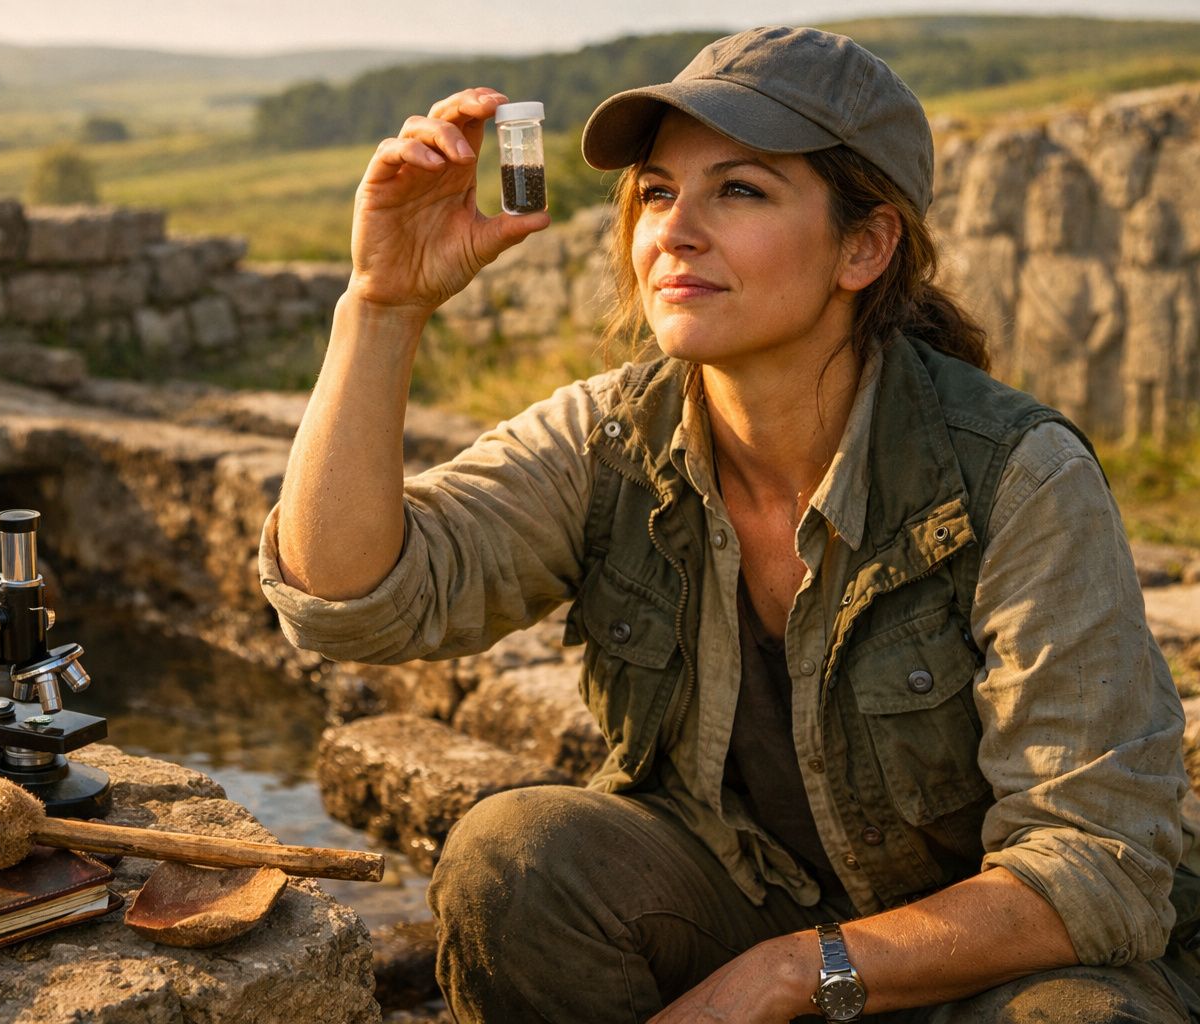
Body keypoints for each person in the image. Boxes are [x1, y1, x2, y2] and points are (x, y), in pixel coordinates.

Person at [257, 24, 1200, 1023]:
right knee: (519, 858)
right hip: (740, 903)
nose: (675, 231)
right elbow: (348, 601)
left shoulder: (1016, 474)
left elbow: (1098, 861)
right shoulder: (609, 438)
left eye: (739, 190)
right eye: (658, 192)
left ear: (865, 246)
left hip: (979, 960)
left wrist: (792, 972)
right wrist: (381, 302)